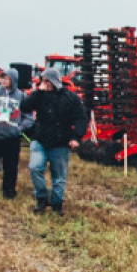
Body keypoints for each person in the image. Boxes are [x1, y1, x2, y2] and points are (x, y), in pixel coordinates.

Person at [21, 69, 89, 214]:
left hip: (61, 142)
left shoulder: (70, 98)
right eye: (42, 80)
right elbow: (24, 107)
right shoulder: (39, 96)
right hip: (40, 139)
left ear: (54, 81)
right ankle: (41, 198)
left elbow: (81, 118)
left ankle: (57, 204)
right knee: (35, 167)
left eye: (47, 80)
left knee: (58, 177)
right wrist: (37, 92)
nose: (44, 83)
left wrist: (76, 137)